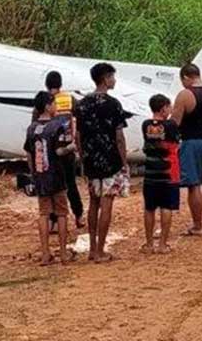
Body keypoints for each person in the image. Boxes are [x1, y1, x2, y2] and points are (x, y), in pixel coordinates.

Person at [74, 63, 130, 262]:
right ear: (106, 78)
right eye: (112, 77)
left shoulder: (82, 104)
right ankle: (100, 250)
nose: (114, 80)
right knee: (107, 202)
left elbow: (78, 135)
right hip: (110, 160)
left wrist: (83, 157)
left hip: (91, 160)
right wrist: (124, 161)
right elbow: (119, 136)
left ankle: (92, 248)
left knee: (93, 202)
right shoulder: (113, 104)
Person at [24, 92, 76, 265]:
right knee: (61, 213)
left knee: (44, 214)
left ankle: (45, 253)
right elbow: (59, 151)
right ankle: (63, 253)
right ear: (47, 106)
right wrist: (71, 147)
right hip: (56, 175)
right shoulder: (56, 126)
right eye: (54, 104)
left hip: (40, 176)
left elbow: (29, 154)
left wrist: (34, 173)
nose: (56, 107)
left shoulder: (31, 129)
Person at [172, 63, 202, 235]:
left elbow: (175, 123)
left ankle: (198, 224)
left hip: (191, 141)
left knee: (193, 185)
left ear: (186, 77)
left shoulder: (185, 95)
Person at [141, 94, 180, 254]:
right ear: (164, 108)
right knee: (166, 206)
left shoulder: (145, 124)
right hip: (168, 171)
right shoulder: (171, 125)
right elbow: (176, 143)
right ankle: (163, 244)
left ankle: (149, 244)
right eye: (169, 107)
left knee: (149, 207)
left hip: (150, 171)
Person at [45, 71, 84, 231]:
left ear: (47, 85)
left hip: (51, 151)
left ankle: (54, 222)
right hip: (68, 149)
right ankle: (79, 216)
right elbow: (80, 119)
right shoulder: (70, 99)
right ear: (60, 84)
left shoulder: (44, 101)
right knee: (71, 184)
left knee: (54, 187)